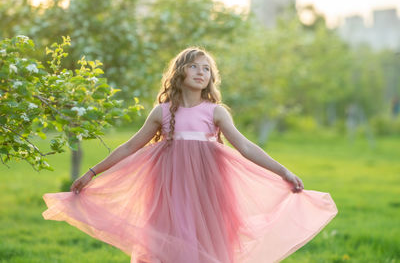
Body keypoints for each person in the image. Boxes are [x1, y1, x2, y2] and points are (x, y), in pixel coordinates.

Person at [42, 47, 338, 263]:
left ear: (211, 78)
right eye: (195, 66)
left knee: (205, 248)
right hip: (169, 193)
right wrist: (92, 172)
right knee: (169, 248)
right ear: (179, 72)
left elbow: (245, 147)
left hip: (208, 192)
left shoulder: (215, 112)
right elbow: (130, 146)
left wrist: (283, 171)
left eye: (206, 68)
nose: (201, 72)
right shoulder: (161, 113)